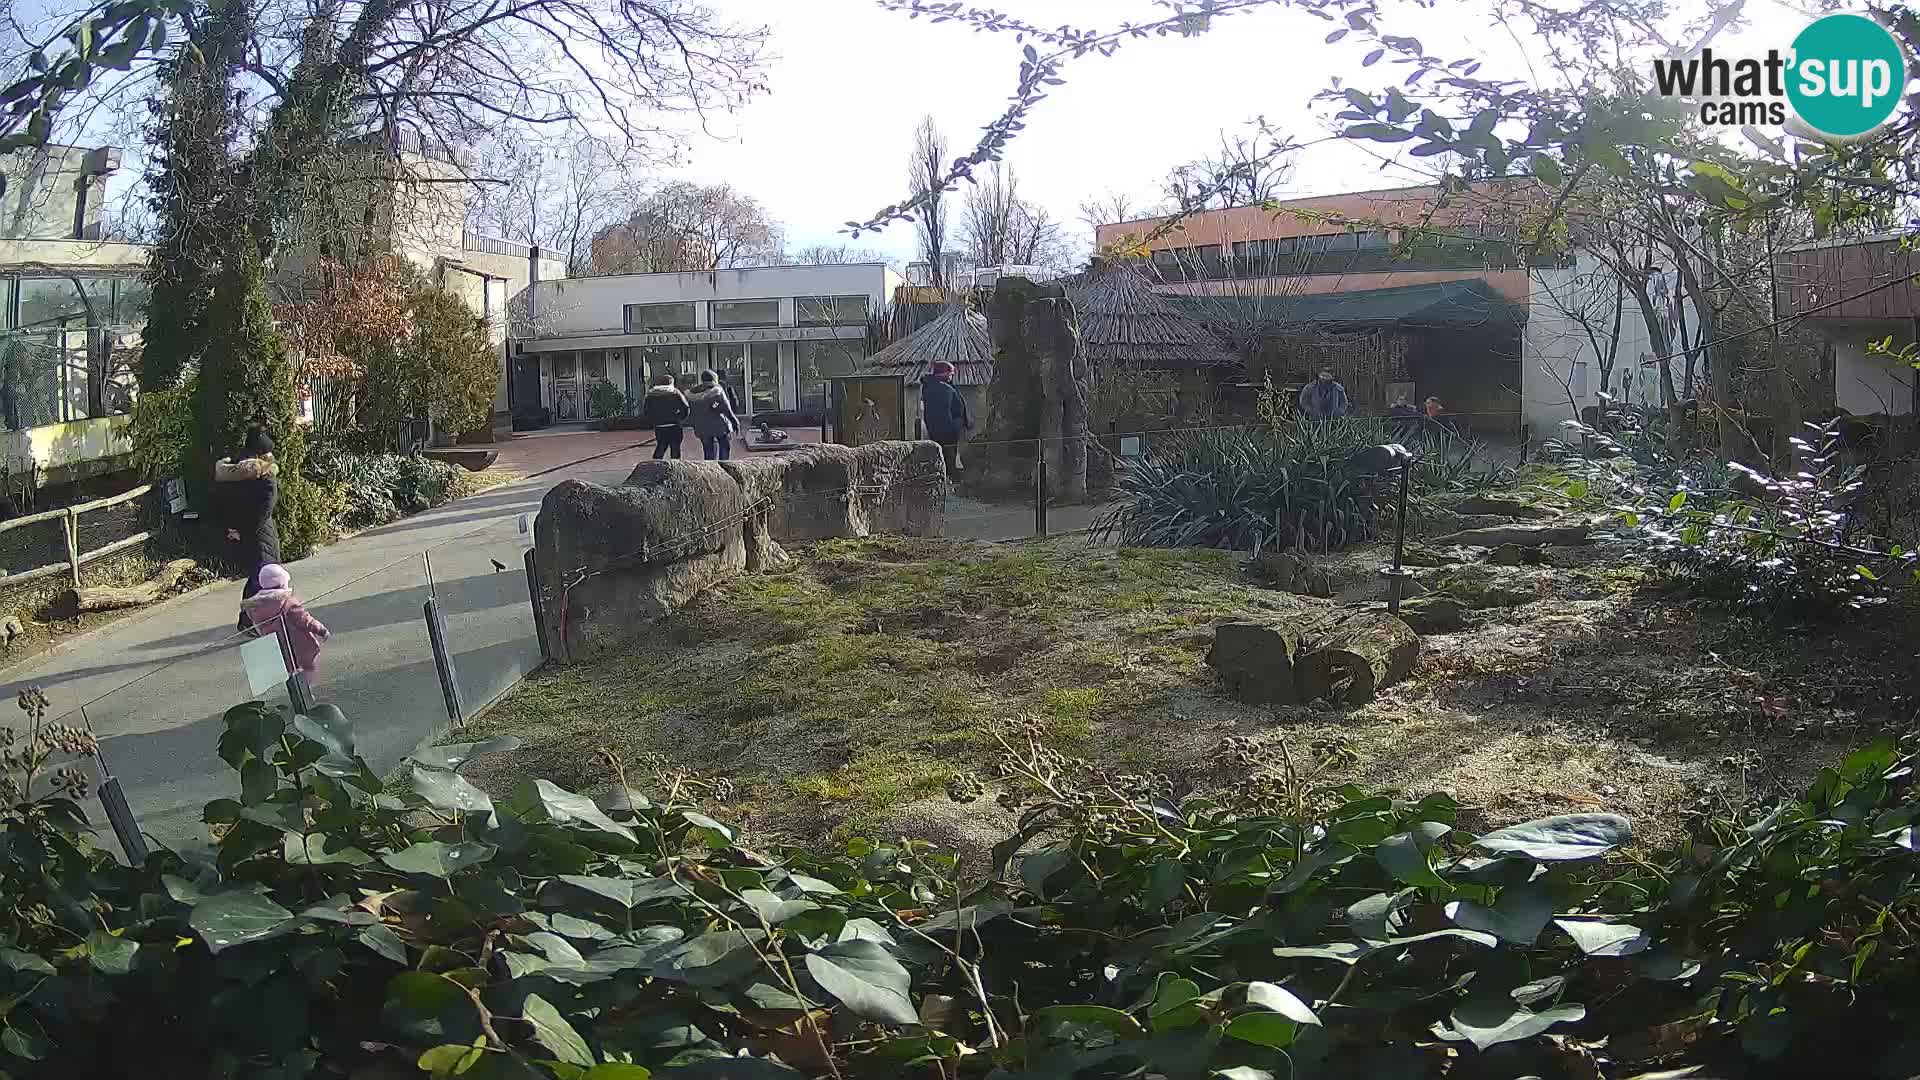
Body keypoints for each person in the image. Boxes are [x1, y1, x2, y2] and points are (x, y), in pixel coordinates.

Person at [215, 424, 281, 634]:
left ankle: (252, 619)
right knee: (264, 575)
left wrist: (234, 527)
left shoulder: (232, 473)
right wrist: (248, 528)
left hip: (243, 530)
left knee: (258, 573)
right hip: (260, 532)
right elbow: (265, 508)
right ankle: (250, 620)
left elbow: (225, 503)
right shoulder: (266, 477)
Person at [241, 563, 331, 677]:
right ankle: (305, 691)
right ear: (282, 583)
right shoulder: (288, 603)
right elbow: (305, 620)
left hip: (276, 647)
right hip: (299, 645)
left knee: (289, 671)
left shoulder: (255, 607)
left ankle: (294, 689)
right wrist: (321, 630)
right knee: (308, 668)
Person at [920, 360, 973, 473]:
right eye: (950, 373)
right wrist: (952, 429)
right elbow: (943, 414)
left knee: (949, 457)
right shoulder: (940, 389)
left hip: (947, 431)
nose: (952, 375)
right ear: (943, 373)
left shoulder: (940, 387)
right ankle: (949, 478)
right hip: (946, 433)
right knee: (948, 458)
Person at [689, 368, 740, 460]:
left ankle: (710, 470)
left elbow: (689, 410)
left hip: (701, 426)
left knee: (708, 450)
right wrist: (734, 421)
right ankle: (723, 468)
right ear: (714, 378)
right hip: (719, 425)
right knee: (724, 446)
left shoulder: (692, 393)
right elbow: (726, 408)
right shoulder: (717, 391)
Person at [639, 373, 690, 459]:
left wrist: (653, 421)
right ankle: (674, 469)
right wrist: (680, 419)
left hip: (659, 426)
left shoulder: (651, 395)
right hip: (674, 425)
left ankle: (656, 466)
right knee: (675, 449)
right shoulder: (675, 393)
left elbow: (646, 411)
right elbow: (685, 407)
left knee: (661, 447)